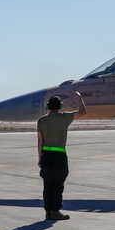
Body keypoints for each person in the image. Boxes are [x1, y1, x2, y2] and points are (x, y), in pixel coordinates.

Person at [37, 92, 87, 220]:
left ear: (48, 107)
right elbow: (82, 112)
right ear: (60, 106)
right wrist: (80, 98)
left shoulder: (41, 120)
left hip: (46, 155)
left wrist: (40, 158)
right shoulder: (64, 118)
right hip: (59, 155)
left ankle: (48, 212)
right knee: (58, 185)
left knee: (47, 185)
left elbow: (40, 141)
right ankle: (55, 211)